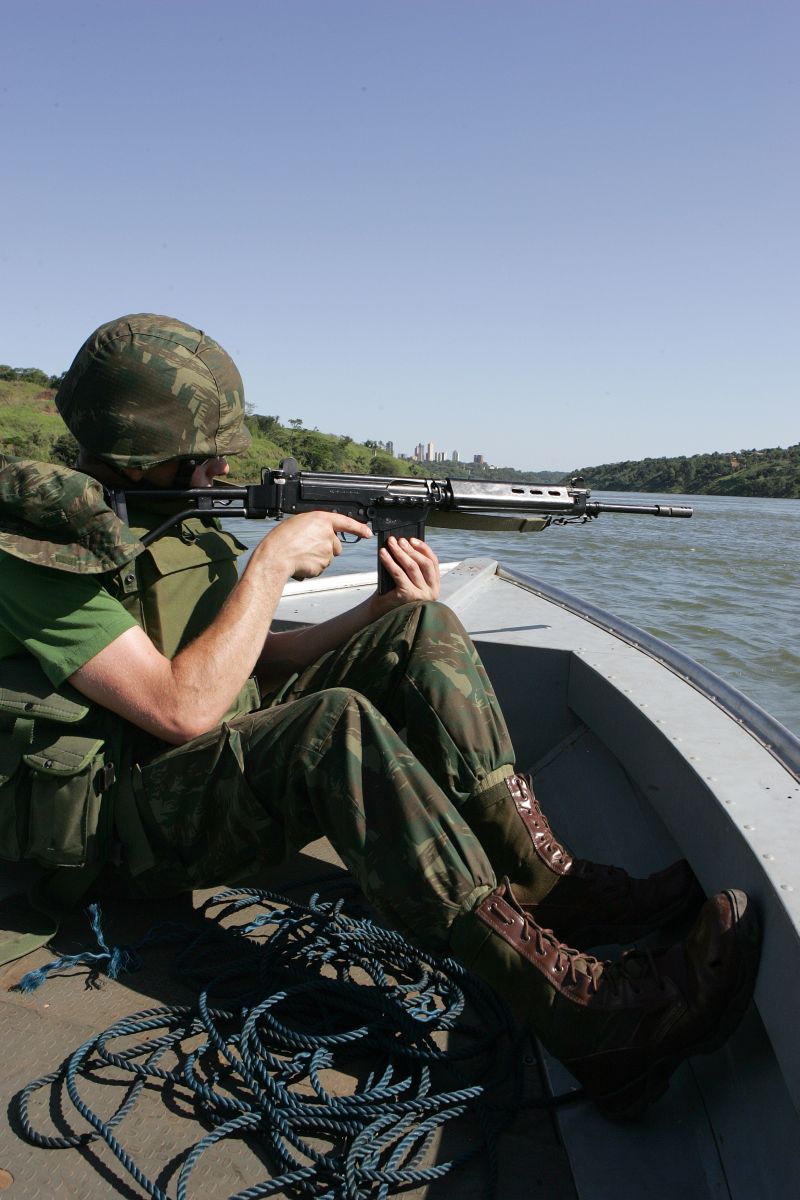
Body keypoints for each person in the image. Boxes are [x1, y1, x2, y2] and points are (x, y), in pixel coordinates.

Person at [0, 313, 760, 1120]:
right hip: (123, 828)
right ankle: (588, 1019)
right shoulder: (38, 554)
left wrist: (378, 609)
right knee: (333, 727)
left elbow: (248, 662)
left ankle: (546, 881)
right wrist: (269, 566)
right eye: (208, 447)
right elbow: (179, 708)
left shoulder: (177, 521)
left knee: (420, 629)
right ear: (148, 449)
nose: (226, 464)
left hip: (196, 769)